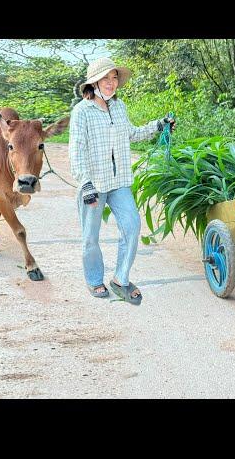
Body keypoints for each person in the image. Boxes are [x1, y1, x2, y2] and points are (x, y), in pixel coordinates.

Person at [69, 57, 175, 304]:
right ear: (93, 82)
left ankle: (120, 278)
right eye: (105, 78)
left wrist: (159, 125)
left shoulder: (119, 107)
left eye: (114, 77)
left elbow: (133, 133)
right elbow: (76, 150)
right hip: (93, 185)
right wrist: (84, 183)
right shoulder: (81, 112)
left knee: (132, 225)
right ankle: (95, 280)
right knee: (90, 237)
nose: (111, 83)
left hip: (119, 181)